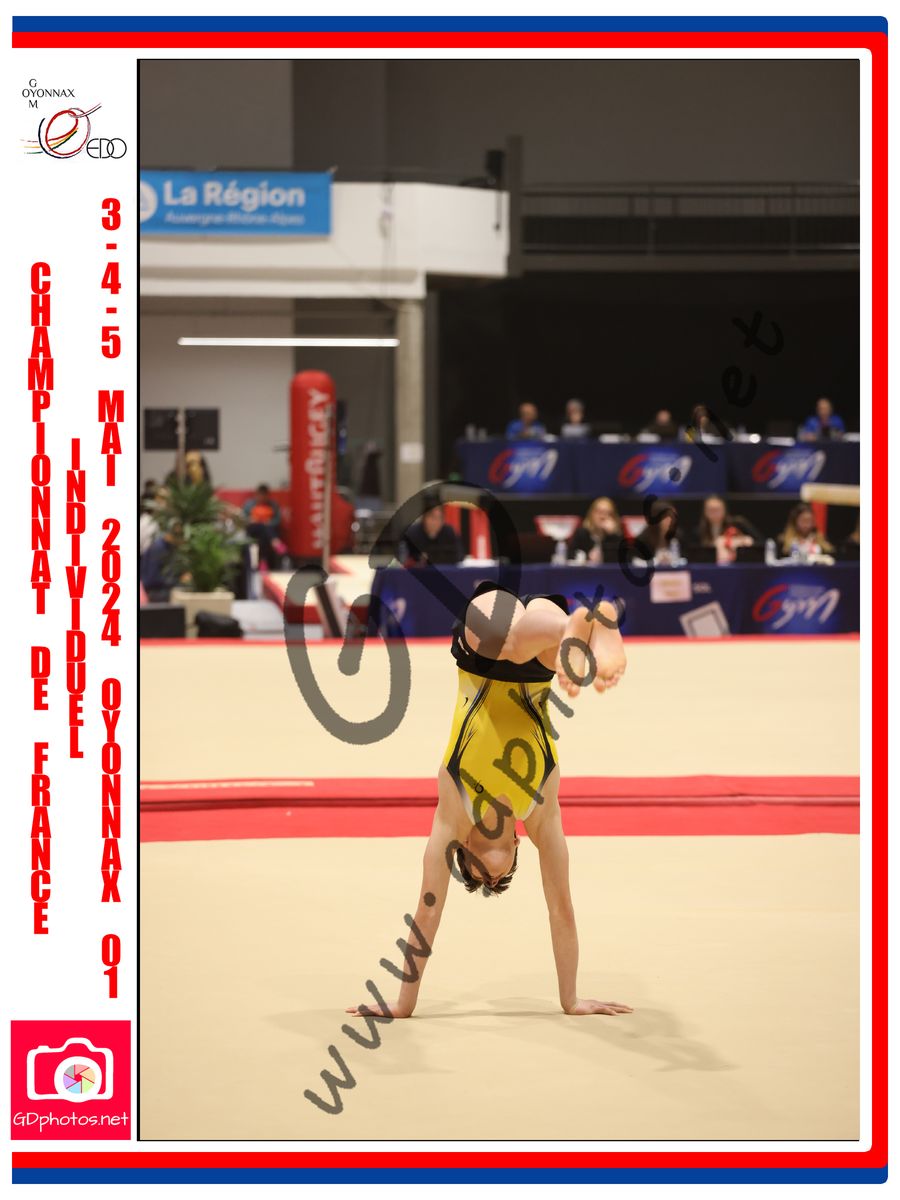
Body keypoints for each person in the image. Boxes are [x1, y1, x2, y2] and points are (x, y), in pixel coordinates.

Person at [346, 583, 632, 1020]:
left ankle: (576, 630)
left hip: (480, 655)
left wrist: (404, 1003)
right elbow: (561, 909)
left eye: (481, 876)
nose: (494, 876)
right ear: (518, 844)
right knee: (533, 649)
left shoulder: (452, 816)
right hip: (538, 667)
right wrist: (570, 999)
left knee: (510, 642)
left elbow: (427, 916)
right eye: (502, 877)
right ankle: (581, 627)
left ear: (463, 849)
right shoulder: (539, 816)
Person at [692, 495, 760, 563]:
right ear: (704, 511)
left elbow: (759, 543)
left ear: (724, 509)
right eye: (710, 510)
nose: (714, 513)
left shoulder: (739, 524)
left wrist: (742, 541)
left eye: (717, 509)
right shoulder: (699, 531)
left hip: (738, 564)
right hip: (710, 565)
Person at [399, 505, 464, 566]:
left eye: (440, 518)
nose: (436, 522)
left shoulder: (449, 532)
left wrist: (433, 557)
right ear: (424, 518)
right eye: (432, 517)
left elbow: (459, 555)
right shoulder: (411, 533)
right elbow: (403, 557)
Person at [568, 496, 623, 562]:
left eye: (608, 513)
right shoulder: (582, 533)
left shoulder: (617, 537)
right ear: (591, 514)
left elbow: (619, 560)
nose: (603, 516)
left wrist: (612, 536)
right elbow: (570, 556)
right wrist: (586, 558)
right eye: (599, 512)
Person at [242, 484, 283, 570]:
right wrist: (251, 520)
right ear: (256, 495)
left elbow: (277, 520)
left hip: (265, 531)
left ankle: (262, 561)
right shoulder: (249, 505)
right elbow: (243, 519)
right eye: (260, 495)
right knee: (262, 526)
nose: (262, 498)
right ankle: (275, 542)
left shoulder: (273, 505)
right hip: (252, 529)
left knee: (263, 532)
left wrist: (269, 522)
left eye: (264, 496)